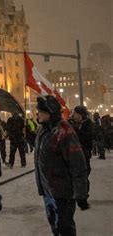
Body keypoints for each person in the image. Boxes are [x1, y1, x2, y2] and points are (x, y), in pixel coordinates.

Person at [34, 96, 89, 235]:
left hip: (62, 192)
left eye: (41, 111)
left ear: (50, 113)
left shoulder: (64, 132)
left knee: (64, 228)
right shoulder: (43, 130)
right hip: (48, 191)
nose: (37, 114)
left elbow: (78, 164)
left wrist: (81, 193)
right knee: (55, 227)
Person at [71, 105, 94, 202]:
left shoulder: (89, 124)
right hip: (72, 155)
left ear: (80, 115)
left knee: (84, 175)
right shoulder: (70, 123)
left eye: (75, 113)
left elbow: (87, 138)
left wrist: (76, 129)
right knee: (72, 175)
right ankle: (74, 194)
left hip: (84, 154)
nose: (73, 115)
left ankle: (83, 195)